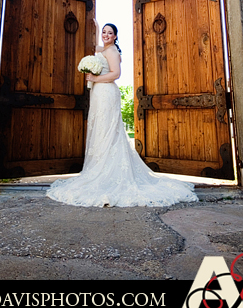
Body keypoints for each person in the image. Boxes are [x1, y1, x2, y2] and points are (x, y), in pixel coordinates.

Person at [46, 21, 198, 208]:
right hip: (98, 94)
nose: (106, 35)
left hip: (107, 92)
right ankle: (98, 169)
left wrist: (94, 78)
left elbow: (116, 74)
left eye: (110, 33)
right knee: (100, 131)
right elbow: (94, 44)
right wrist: (96, 26)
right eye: (104, 32)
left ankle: (109, 173)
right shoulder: (103, 49)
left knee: (109, 131)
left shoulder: (112, 52)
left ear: (116, 36)